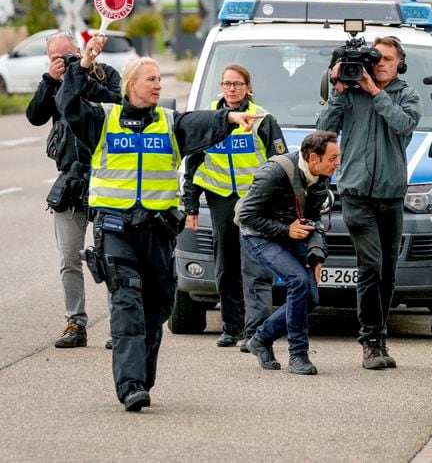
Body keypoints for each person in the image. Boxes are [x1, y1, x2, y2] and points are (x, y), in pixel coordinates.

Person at [56, 40, 263, 412]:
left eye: (159, 80)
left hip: (157, 232)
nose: (157, 85)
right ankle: (131, 384)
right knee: (127, 303)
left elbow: (200, 123)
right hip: (116, 228)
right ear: (131, 85)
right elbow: (68, 104)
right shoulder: (104, 119)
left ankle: (141, 377)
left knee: (157, 307)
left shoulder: (169, 121)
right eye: (150, 79)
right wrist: (83, 63)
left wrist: (230, 118)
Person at [317, 36, 422, 370]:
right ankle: (370, 340)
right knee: (371, 266)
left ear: (399, 63)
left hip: (391, 196)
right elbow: (322, 133)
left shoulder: (407, 95)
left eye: (388, 59)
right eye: (376, 58)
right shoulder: (350, 93)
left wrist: (376, 93)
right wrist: (338, 91)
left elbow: (404, 125)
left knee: (388, 273)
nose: (380, 64)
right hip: (356, 194)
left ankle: (380, 335)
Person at [26, 31, 120, 348]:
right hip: (70, 179)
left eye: (69, 55)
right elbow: (35, 117)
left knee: (112, 256)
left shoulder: (108, 74)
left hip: (107, 178)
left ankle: (117, 325)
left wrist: (82, 71)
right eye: (57, 58)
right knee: (69, 257)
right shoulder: (54, 83)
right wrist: (50, 81)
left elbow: (115, 104)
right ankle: (75, 323)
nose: (65, 61)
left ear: (80, 50)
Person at [183, 64, 286, 349]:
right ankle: (232, 326)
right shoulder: (208, 119)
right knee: (226, 264)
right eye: (227, 84)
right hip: (221, 198)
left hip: (255, 200)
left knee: (255, 265)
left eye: (237, 84)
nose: (231, 89)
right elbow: (192, 165)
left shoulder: (263, 119)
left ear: (248, 87)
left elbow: (280, 163)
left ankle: (258, 328)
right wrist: (190, 205)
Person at [239, 131, 339, 375]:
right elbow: (247, 216)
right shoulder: (274, 172)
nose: (338, 163)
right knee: (297, 282)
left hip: (291, 233)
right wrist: (286, 229)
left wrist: (317, 255)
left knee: (311, 297)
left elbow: (314, 220)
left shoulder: (321, 176)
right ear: (314, 158)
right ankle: (298, 355)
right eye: (333, 158)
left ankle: (260, 339)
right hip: (260, 235)